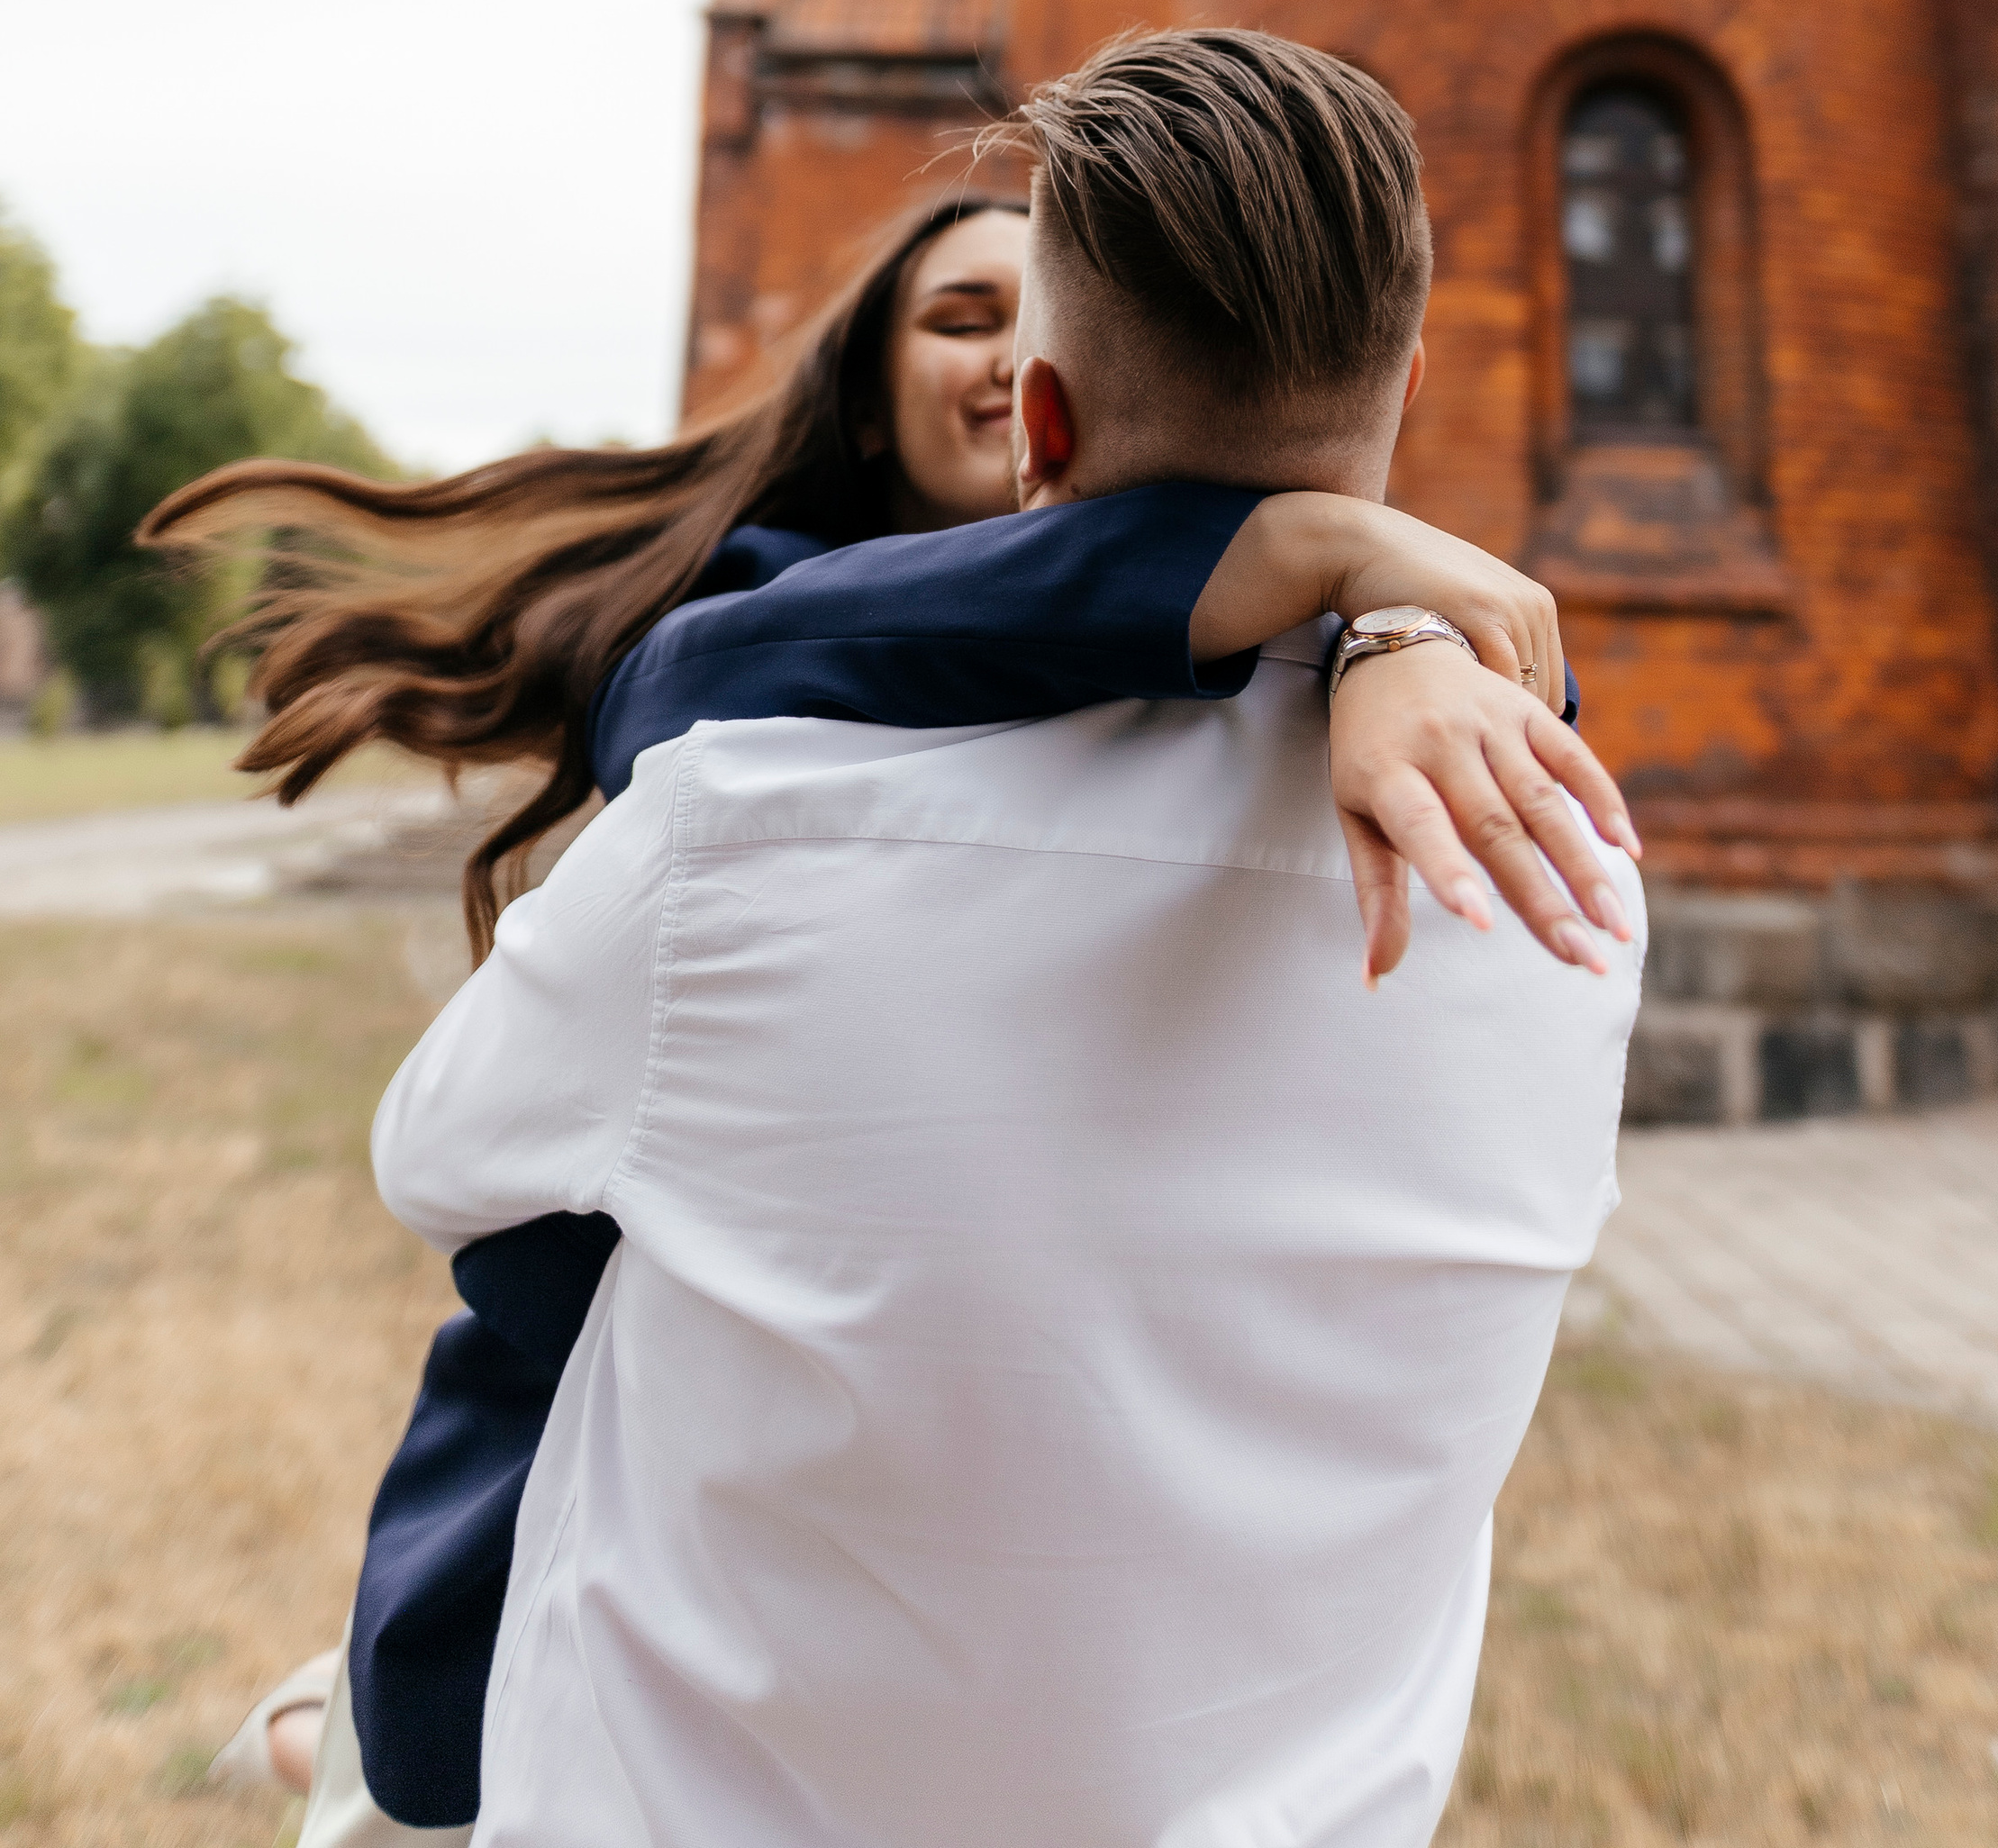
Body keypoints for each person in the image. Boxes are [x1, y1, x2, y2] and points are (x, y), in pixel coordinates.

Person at [165, 171, 1625, 1835]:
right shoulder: (769, 633)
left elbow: (1512, 701)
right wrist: (1305, 546)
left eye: (1033, 317)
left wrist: (1393, 621)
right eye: (957, 316)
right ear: (869, 393)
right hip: (555, 1506)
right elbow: (696, 675)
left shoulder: (1317, 648)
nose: (1004, 356)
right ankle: (336, 1726)